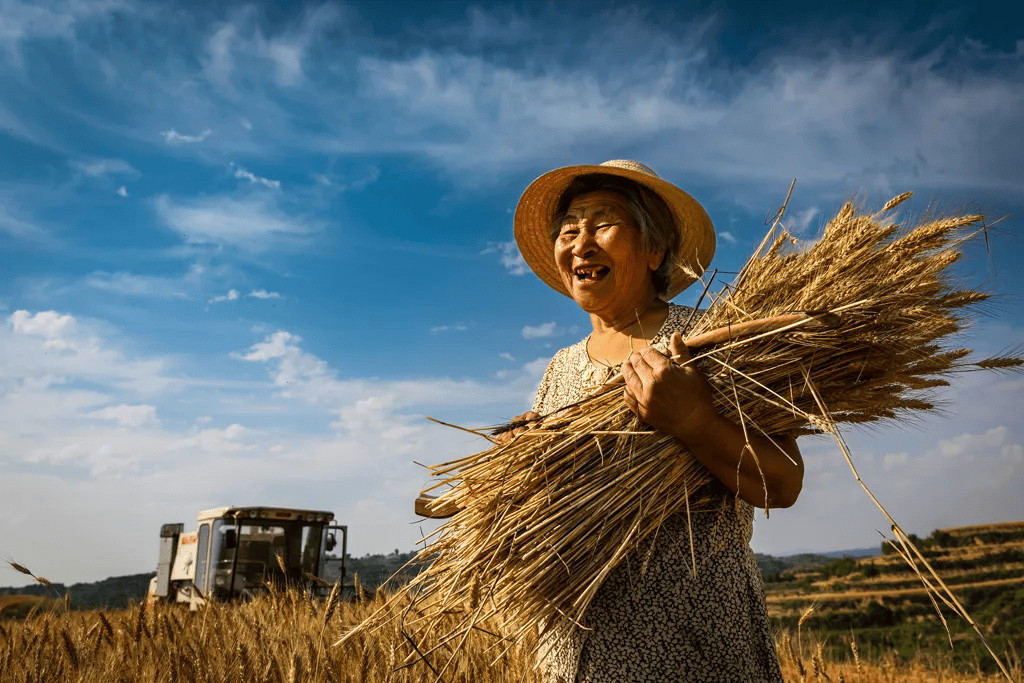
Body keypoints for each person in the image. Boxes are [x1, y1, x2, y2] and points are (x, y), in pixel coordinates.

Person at [509, 160, 804, 682]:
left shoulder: (711, 340)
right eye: (568, 229)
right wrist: (527, 463)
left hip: (693, 641)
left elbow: (782, 483)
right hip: (577, 647)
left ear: (654, 250)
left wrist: (694, 420)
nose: (580, 242)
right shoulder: (561, 367)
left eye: (603, 223)